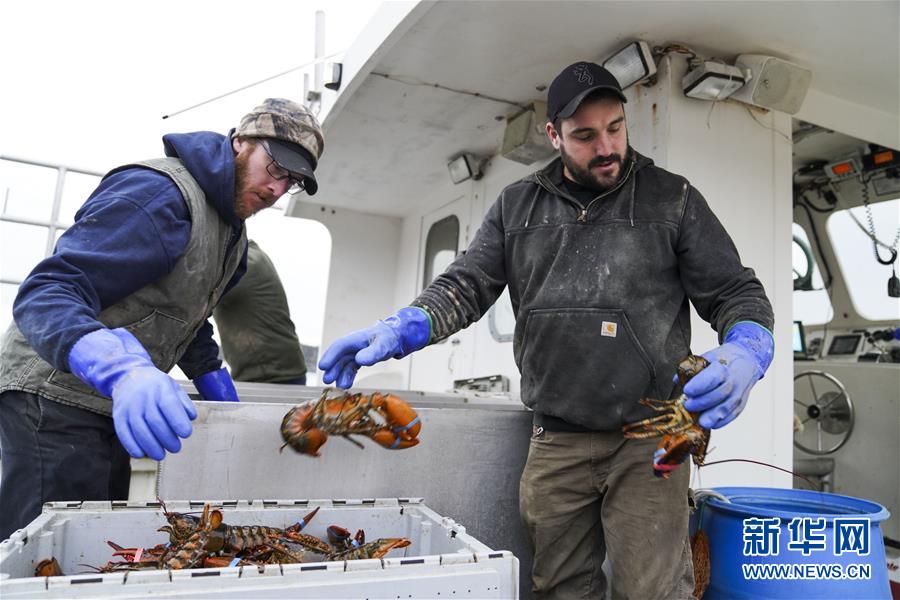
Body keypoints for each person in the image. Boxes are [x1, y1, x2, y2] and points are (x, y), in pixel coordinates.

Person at [317, 62, 774, 599]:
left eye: (615, 128)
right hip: (555, 440)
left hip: (650, 441)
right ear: (553, 135)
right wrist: (400, 328)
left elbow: (734, 292)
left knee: (650, 591)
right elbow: (465, 286)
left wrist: (747, 349)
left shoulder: (671, 198)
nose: (606, 147)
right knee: (558, 588)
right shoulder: (518, 205)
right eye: (584, 135)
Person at [0, 98, 324, 541]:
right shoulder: (160, 194)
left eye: (292, 181)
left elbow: (187, 314)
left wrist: (214, 380)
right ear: (240, 143)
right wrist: (118, 368)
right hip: (54, 395)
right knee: (43, 554)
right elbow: (47, 292)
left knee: (95, 545)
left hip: (108, 406)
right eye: (275, 167)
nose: (276, 188)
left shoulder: (232, 233)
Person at [213, 239, 308, 384]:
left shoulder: (245, 263)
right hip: (269, 372)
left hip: (274, 375)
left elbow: (194, 293)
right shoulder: (251, 255)